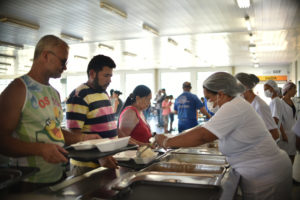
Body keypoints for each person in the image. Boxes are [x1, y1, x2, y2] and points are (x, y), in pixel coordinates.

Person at [156, 72, 292, 200]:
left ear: (220, 94)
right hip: (260, 171)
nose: (208, 102)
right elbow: (206, 127)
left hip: (266, 176)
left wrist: (167, 142)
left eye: (209, 98)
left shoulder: (234, 106)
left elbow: (203, 135)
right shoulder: (235, 104)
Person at [0, 35, 99, 192]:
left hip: (58, 176)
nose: (65, 67)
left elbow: (55, 131)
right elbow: (2, 141)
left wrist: (83, 138)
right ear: (46, 55)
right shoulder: (18, 89)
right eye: (63, 61)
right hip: (30, 182)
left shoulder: (54, 93)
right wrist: (40, 149)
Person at [66, 55, 118, 176]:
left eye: (110, 76)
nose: (109, 80)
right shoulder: (79, 95)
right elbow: (74, 136)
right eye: (106, 75)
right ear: (92, 73)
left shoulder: (104, 93)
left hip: (107, 160)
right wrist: (99, 156)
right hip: (87, 166)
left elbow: (109, 125)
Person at [235, 73, 279, 141]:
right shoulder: (246, 104)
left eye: (237, 88)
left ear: (245, 87)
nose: (236, 92)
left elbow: (275, 134)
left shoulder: (260, 106)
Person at [264, 79, 288, 152]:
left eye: (266, 89)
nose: (265, 92)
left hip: (275, 132)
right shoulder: (274, 101)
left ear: (272, 88)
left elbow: (275, 119)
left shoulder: (276, 101)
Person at [281, 81, 297, 163]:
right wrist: (283, 134)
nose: (296, 91)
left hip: (293, 134)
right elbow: (279, 121)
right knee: (285, 157)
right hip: (285, 134)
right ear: (288, 90)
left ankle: (290, 174)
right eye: (294, 89)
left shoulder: (293, 101)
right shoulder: (281, 102)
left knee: (293, 155)